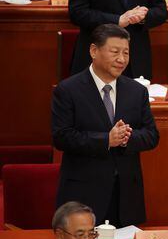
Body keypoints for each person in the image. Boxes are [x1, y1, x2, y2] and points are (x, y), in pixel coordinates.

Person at [52, 24, 159, 228]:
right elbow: (62, 137)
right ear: (94, 51)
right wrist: (106, 140)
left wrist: (127, 137)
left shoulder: (137, 91)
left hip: (126, 194)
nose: (121, 59)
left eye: (126, 53)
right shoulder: (68, 90)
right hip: (83, 193)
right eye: (115, 52)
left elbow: (152, 135)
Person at [69, 0, 168, 79]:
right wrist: (118, 20)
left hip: (136, 57)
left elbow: (161, 11)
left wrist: (142, 17)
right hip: (97, 56)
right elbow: (77, 12)